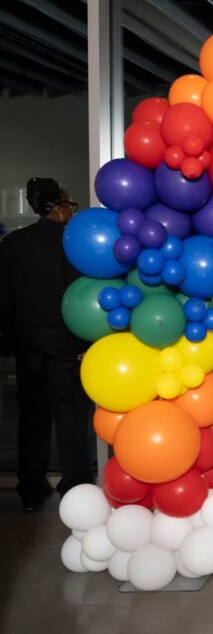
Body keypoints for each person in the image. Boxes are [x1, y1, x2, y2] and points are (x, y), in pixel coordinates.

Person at [0, 178, 93, 512]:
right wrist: (85, 341)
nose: (71, 210)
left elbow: (4, 301)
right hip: (66, 342)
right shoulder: (73, 244)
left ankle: (31, 489)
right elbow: (81, 298)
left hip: (27, 343)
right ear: (57, 206)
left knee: (32, 417)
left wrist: (13, 341)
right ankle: (76, 488)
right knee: (70, 416)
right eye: (70, 203)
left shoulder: (11, 245)